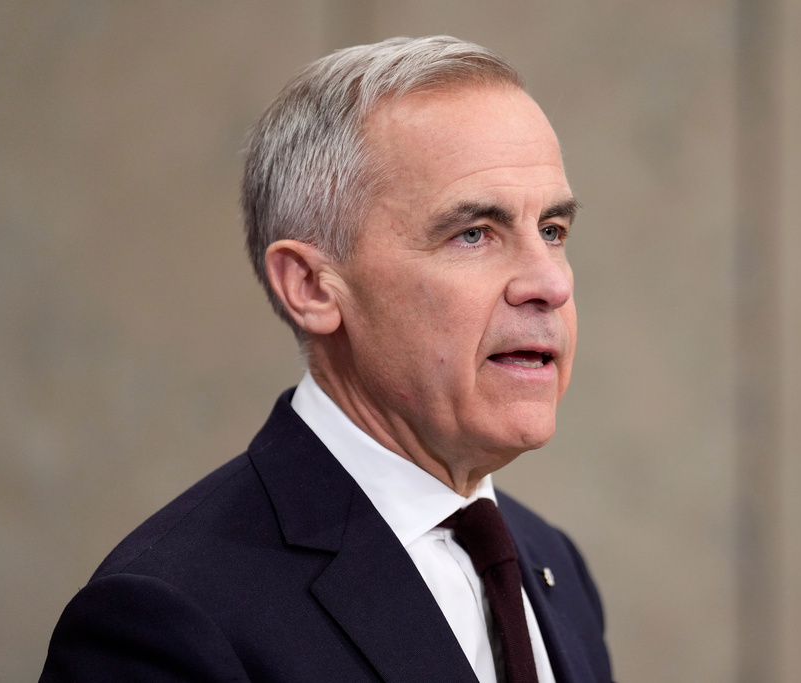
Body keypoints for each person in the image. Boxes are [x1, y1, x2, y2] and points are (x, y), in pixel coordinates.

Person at [40, 36, 613, 682]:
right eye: (474, 234)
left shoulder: (550, 562)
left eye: (553, 231)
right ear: (311, 287)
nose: (550, 283)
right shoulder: (166, 618)